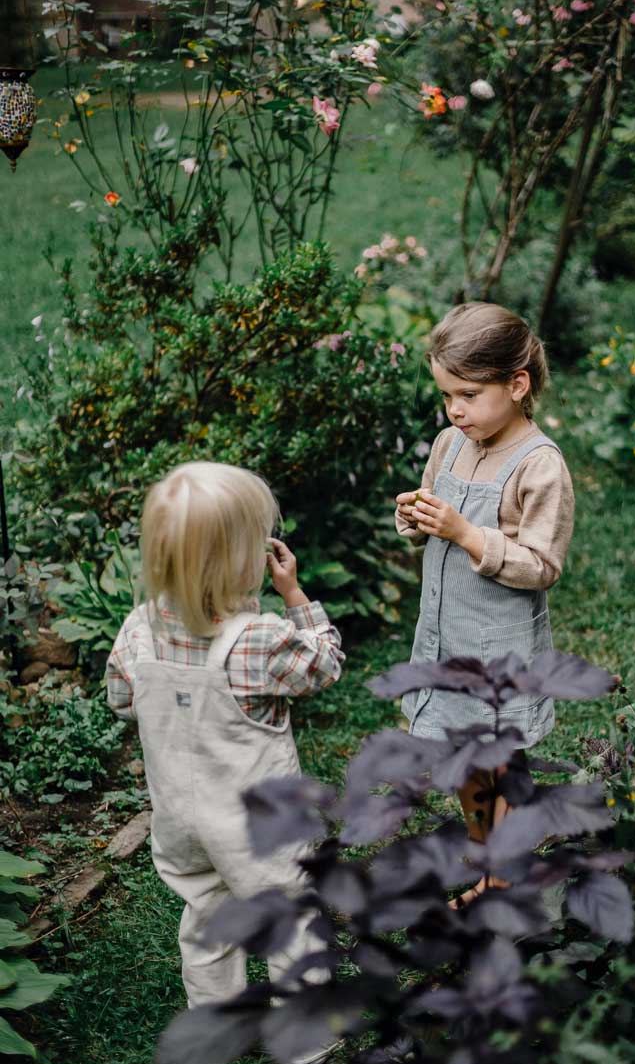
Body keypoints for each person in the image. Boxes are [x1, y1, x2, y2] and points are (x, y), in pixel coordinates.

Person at [107, 461, 344, 1009]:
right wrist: (295, 595)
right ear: (244, 563)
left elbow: (122, 701)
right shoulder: (259, 639)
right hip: (256, 825)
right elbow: (325, 665)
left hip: (180, 818)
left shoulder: (139, 628)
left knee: (207, 912)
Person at [395, 302, 574, 903]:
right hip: (447, 633)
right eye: (447, 395)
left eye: (468, 394)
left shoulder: (539, 464)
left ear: (517, 385)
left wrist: (466, 533)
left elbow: (542, 565)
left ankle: (502, 878)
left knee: (500, 762)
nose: (455, 409)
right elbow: (433, 519)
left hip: (498, 645)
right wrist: (416, 519)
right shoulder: (451, 443)